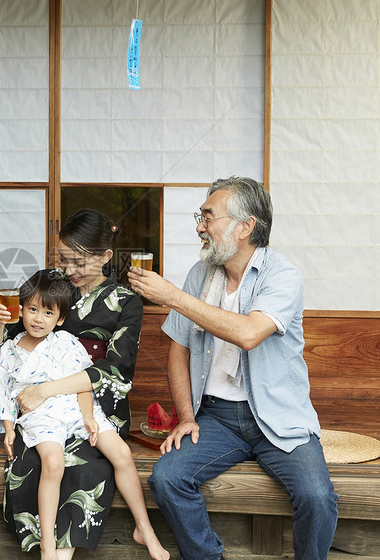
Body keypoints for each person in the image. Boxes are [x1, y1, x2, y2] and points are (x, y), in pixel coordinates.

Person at [127, 177, 338, 560]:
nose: (199, 227)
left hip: (278, 416)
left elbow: (248, 333)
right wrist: (187, 417)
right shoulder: (200, 274)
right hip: (217, 418)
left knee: (317, 496)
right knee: (167, 479)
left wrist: (172, 295)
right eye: (200, 216)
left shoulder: (282, 276)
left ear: (245, 227)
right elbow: (178, 349)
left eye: (208, 217)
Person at [0, 208, 143, 556]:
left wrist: (46, 390)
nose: (69, 270)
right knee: (38, 459)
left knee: (86, 463)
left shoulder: (126, 302)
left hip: (93, 406)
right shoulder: (53, 285)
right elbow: (5, 343)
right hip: (39, 408)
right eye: (64, 259)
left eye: (78, 262)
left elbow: (116, 368)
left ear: (106, 257)